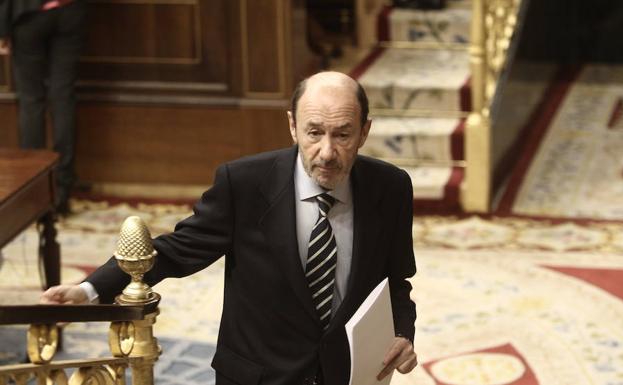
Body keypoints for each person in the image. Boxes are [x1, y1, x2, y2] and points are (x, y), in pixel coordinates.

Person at [41, 72, 418, 385]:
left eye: (343, 134)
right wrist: (89, 290)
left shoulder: (391, 187)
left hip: (347, 374)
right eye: (314, 132)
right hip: (257, 377)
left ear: (365, 131)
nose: (326, 152)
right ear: (292, 126)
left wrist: (403, 334)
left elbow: (396, 281)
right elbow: (177, 250)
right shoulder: (244, 183)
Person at [0, 0, 87, 214]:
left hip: (28, 13)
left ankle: (34, 194)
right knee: (63, 97)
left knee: (31, 101)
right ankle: (62, 191)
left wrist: (2, 28)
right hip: (70, 10)